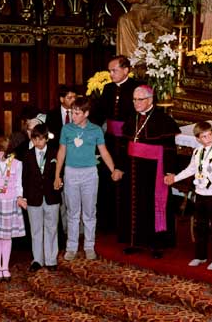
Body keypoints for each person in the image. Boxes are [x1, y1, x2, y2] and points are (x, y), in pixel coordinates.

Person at [54, 96, 122, 261]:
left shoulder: (96, 130)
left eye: (77, 113)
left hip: (90, 174)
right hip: (70, 173)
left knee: (90, 212)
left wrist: (113, 169)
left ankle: (89, 246)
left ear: (86, 113)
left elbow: (104, 151)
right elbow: (61, 152)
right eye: (72, 113)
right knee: (72, 212)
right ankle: (71, 247)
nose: (73, 116)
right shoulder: (67, 130)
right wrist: (57, 175)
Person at [120, 85, 180, 258]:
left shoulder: (163, 120)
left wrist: (169, 172)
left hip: (154, 170)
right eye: (134, 99)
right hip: (133, 169)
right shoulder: (131, 118)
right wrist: (120, 167)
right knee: (134, 204)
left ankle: (157, 244)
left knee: (153, 205)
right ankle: (135, 241)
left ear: (150, 100)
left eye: (140, 99)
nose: (136, 103)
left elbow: (169, 149)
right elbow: (125, 145)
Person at [165, 121, 212, 270]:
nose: (208, 138)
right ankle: (200, 255)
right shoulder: (197, 152)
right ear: (198, 139)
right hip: (200, 194)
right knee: (201, 225)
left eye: (210, 135)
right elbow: (191, 169)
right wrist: (175, 178)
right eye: (204, 137)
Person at [93, 56, 141, 236]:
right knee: (107, 180)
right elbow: (99, 114)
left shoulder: (137, 88)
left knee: (126, 183)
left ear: (126, 70)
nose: (111, 74)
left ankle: (126, 225)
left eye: (114, 70)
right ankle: (108, 223)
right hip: (110, 141)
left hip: (129, 141)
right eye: (109, 71)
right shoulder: (107, 88)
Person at [0, 136, 26, 281]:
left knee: (7, 237)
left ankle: (5, 267)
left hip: (10, 203)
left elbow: (19, 184)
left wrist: (19, 197)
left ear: (1, 151)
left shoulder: (17, 164)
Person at [22, 123, 61, 271]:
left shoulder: (55, 153)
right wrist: (24, 196)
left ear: (46, 139)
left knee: (51, 228)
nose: (37, 142)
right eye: (34, 139)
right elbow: (24, 178)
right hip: (33, 198)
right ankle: (37, 259)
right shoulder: (27, 155)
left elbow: (60, 173)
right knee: (36, 229)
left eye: (40, 139)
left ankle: (51, 259)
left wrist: (59, 181)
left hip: (52, 196)